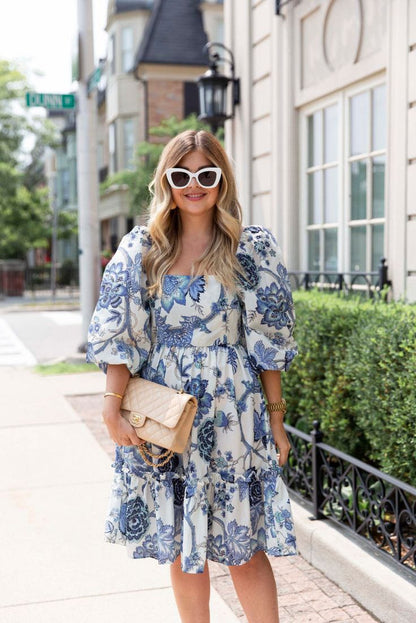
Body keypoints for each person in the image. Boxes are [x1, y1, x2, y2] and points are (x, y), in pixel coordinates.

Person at [87, 130, 298, 623]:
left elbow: (268, 341)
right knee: (185, 538)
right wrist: (111, 403)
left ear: (222, 179)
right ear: (167, 180)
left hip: (234, 410)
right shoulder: (144, 246)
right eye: (182, 175)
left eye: (207, 173)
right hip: (167, 409)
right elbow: (120, 328)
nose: (194, 185)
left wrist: (276, 420)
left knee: (244, 544)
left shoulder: (251, 248)